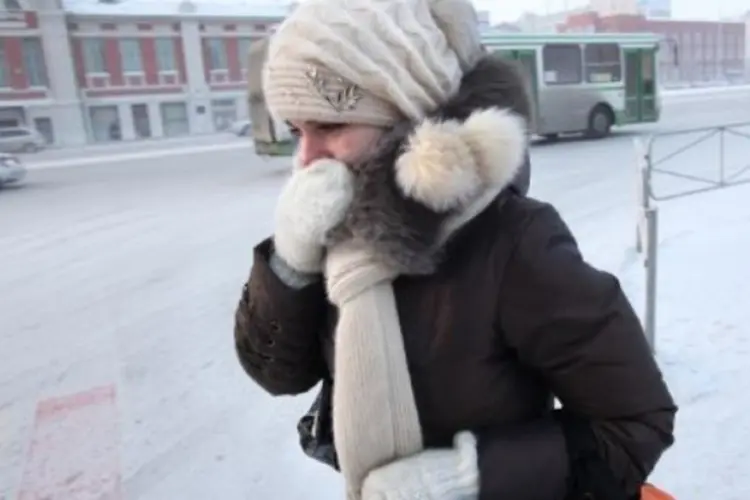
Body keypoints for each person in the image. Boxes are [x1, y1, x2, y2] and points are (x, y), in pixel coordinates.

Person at [234, 0, 677, 498]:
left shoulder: (514, 241)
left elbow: (633, 423)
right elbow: (277, 373)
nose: (306, 160)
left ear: (405, 117)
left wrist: (467, 478)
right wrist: (289, 263)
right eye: (297, 131)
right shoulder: (332, 224)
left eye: (331, 127)